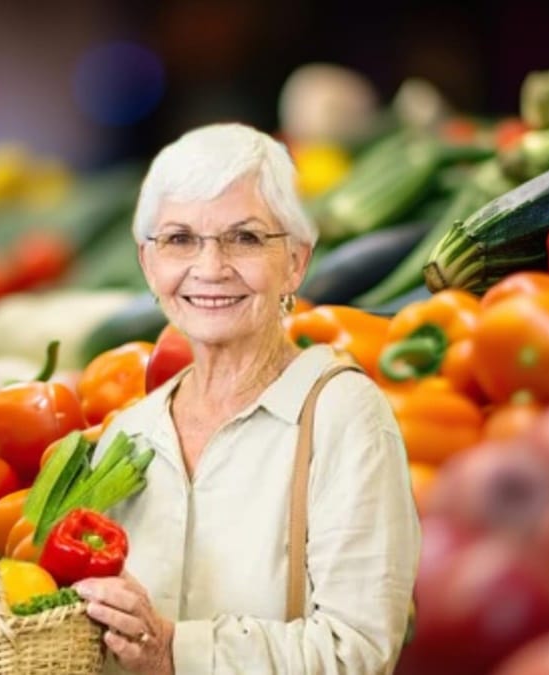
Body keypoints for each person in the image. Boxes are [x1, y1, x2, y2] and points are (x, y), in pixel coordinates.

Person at [74, 122, 421, 674]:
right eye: (180, 239)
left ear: (297, 262)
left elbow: (357, 650)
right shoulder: (128, 436)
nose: (210, 269)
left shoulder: (342, 415)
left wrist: (172, 650)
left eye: (246, 237)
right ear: (148, 264)